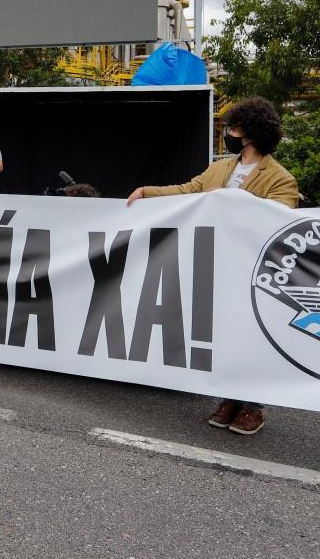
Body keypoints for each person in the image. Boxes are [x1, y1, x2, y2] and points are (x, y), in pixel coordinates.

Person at [127, 95, 298, 436]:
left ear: (249, 133)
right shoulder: (221, 168)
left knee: (251, 335)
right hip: (218, 262)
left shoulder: (281, 178)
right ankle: (230, 399)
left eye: (233, 127)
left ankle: (253, 406)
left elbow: (284, 219)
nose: (229, 133)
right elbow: (189, 190)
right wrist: (148, 192)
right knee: (227, 334)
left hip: (252, 269)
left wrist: (236, 203)